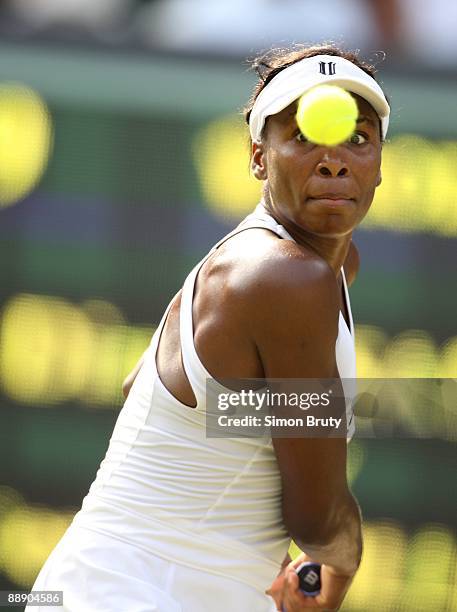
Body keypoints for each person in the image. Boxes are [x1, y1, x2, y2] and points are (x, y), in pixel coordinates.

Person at [27, 44, 390, 612]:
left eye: (358, 138)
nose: (334, 160)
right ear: (257, 157)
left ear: (381, 162)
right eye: (302, 136)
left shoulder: (330, 268)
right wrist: (343, 562)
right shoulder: (286, 278)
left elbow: (139, 386)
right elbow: (316, 519)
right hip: (129, 592)